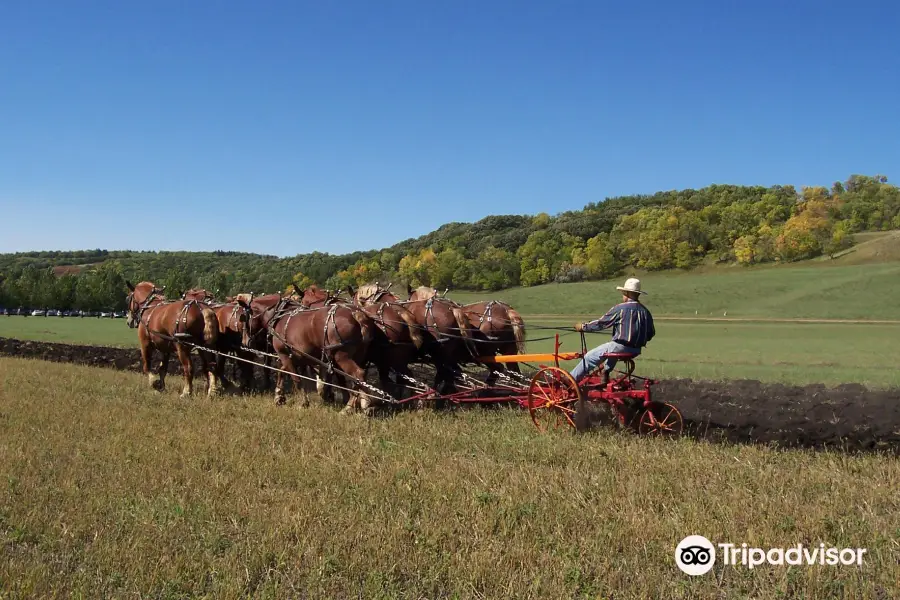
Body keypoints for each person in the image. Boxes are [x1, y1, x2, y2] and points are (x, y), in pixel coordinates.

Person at [571, 277, 655, 384]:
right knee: (613, 348)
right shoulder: (645, 312)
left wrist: (583, 327)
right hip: (636, 350)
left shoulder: (620, 309)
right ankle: (605, 372)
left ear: (626, 293)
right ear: (638, 294)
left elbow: (601, 323)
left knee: (589, 357)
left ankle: (571, 380)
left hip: (620, 347)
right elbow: (651, 333)